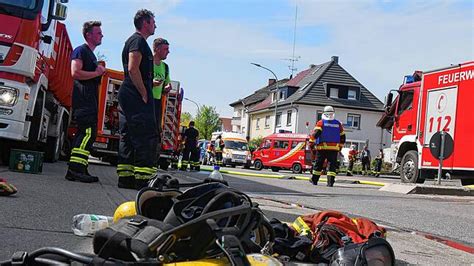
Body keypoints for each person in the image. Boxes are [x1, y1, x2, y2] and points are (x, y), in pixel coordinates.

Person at [116, 9, 157, 190]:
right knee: (144, 135)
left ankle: (126, 177)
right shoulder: (137, 41)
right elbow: (133, 68)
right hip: (134, 94)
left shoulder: (136, 41)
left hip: (130, 93)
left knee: (129, 136)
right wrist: (143, 92)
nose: (155, 25)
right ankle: (142, 179)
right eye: (153, 22)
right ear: (146, 23)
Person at [65, 21, 105, 183]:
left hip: (90, 101)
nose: (101, 35)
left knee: (89, 133)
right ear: (88, 34)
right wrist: (97, 73)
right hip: (84, 101)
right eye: (98, 33)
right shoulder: (81, 51)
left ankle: (80, 167)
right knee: (87, 133)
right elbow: (75, 72)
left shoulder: (91, 54)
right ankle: (75, 169)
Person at [309, 106, 346, 187]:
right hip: (334, 149)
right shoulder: (338, 124)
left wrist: (311, 143)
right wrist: (340, 147)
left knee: (319, 164)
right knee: (332, 166)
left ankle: (314, 180)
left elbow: (316, 134)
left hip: (322, 148)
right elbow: (343, 137)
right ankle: (330, 183)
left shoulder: (321, 123)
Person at [152, 37, 171, 147]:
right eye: (166, 49)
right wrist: (151, 82)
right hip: (144, 100)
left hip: (157, 102)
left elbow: (167, 83)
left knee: (155, 131)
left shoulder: (165, 67)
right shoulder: (147, 62)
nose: (168, 52)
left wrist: (167, 87)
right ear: (157, 49)